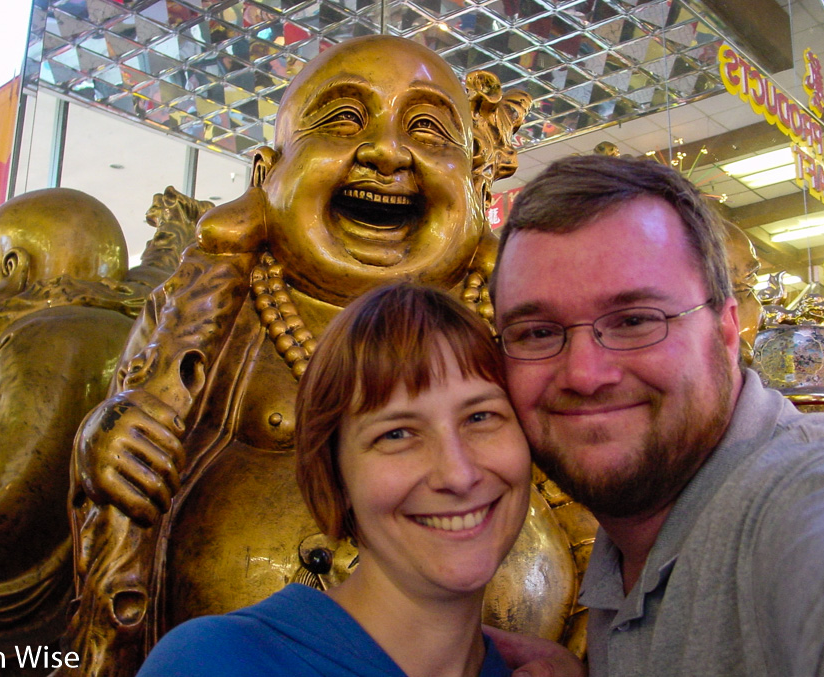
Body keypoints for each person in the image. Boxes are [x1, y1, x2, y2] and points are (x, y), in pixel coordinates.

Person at [59, 34, 587, 677]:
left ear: (475, 186)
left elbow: (585, 503)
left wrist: (584, 642)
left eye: (427, 129)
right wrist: (109, 443)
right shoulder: (212, 311)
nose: (389, 152)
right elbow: (138, 408)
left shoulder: (509, 323)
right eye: (342, 119)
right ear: (265, 174)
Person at [490, 153, 824, 676]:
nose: (584, 375)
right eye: (538, 332)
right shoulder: (628, 545)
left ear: (727, 330)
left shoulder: (800, 492)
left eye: (636, 320)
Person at [134, 283, 538, 677]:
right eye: (396, 434)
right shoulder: (215, 662)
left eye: (481, 417)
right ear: (335, 476)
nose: (458, 474)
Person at [0, 187, 182, 658]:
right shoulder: (134, 326)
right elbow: (154, 271)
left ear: (14, 268)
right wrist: (173, 232)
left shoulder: (52, 337)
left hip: (8, 648)